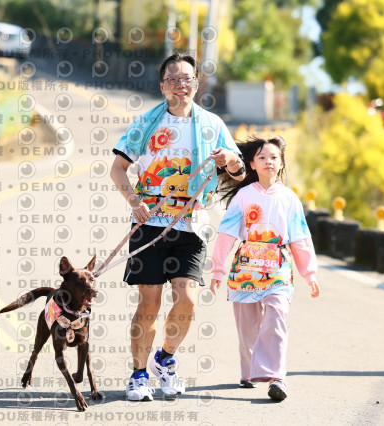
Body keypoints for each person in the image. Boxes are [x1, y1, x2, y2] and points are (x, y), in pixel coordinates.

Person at [110, 52, 246, 401]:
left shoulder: (213, 124)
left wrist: (230, 159)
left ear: (196, 84)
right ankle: (139, 375)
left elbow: (239, 172)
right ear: (162, 86)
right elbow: (118, 168)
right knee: (149, 303)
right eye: (173, 79)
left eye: (187, 79)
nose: (180, 85)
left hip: (191, 224)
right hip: (150, 224)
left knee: (187, 301)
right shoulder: (146, 122)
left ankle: (165, 359)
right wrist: (134, 202)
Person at [210, 136, 320, 401]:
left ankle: (276, 377)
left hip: (278, 269)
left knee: (276, 316)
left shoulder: (289, 198)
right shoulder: (244, 196)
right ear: (252, 164)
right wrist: (218, 270)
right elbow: (227, 233)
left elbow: (300, 237)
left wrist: (309, 274)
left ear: (281, 163)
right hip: (245, 268)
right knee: (247, 327)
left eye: (273, 157)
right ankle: (249, 371)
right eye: (261, 157)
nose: (268, 161)